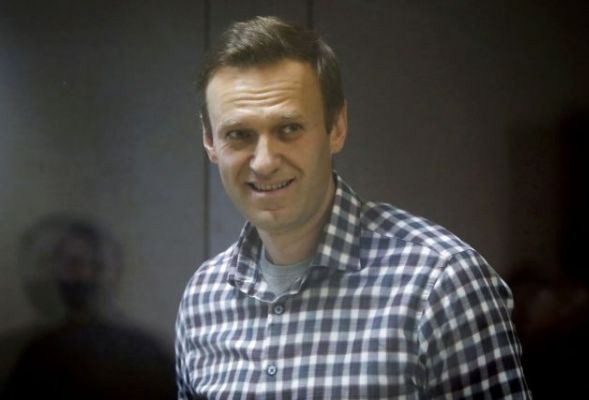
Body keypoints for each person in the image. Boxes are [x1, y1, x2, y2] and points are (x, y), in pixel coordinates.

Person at [176, 16, 531, 399]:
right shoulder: (202, 299)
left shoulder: (440, 284)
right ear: (210, 142)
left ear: (337, 128)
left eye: (289, 129)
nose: (264, 162)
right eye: (239, 134)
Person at [2, 215, 176, 400]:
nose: (85, 275)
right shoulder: (32, 352)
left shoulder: (147, 352)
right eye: (73, 265)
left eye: (96, 266)